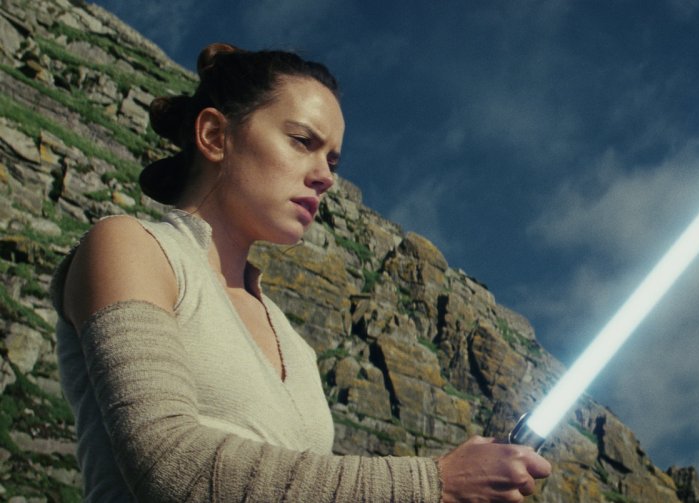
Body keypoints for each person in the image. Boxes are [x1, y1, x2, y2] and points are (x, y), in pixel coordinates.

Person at [49, 43, 551, 502]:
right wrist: (434, 482)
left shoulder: (297, 347)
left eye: (332, 160)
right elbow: (170, 464)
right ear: (215, 136)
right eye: (301, 141)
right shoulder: (133, 246)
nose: (326, 176)